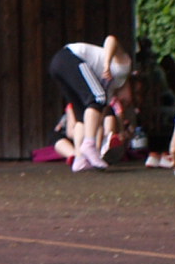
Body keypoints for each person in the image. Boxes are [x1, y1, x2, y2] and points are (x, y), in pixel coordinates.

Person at [48, 35, 131, 172]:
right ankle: (89, 145)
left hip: (58, 65)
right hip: (70, 57)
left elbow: (97, 118)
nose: (125, 102)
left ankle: (79, 159)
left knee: (83, 114)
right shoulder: (124, 67)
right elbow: (111, 40)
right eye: (128, 100)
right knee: (98, 98)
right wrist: (107, 64)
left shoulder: (109, 91)